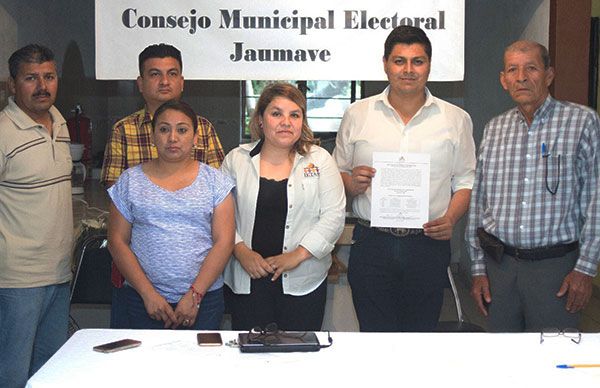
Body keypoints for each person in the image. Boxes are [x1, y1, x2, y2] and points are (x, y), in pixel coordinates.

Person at [333, 26, 476, 332]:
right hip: (372, 243)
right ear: (385, 63)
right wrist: (351, 183)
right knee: (374, 335)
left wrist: (451, 218)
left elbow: (465, 180)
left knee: (420, 337)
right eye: (399, 61)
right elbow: (337, 173)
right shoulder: (357, 114)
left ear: (429, 65)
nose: (408, 70)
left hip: (427, 245)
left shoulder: (455, 118)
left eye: (418, 61)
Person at [467, 40, 600, 332]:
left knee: (554, 363)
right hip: (499, 268)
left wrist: (585, 268)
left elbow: (596, 200)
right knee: (504, 363)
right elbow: (479, 202)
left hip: (556, 270)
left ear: (549, 75)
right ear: (504, 80)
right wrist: (478, 268)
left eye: (531, 68)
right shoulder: (494, 128)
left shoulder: (582, 122)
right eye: (512, 70)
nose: (521, 77)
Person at [101, 43, 225, 328]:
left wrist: (195, 293)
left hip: (198, 283)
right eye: (155, 74)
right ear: (140, 83)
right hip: (138, 279)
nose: (165, 81)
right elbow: (117, 203)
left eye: (172, 74)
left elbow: (218, 202)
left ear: (182, 81)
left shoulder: (203, 128)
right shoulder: (124, 130)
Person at [222, 82, 345, 331]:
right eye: (276, 113)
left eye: (294, 115)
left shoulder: (320, 159)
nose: (286, 122)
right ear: (260, 120)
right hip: (248, 279)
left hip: (303, 280)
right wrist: (240, 250)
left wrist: (296, 256)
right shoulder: (236, 159)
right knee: (249, 360)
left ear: (303, 122)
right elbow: (220, 217)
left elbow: (333, 216)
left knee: (299, 359)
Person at [0, 44, 72, 387]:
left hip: (58, 272)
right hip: (16, 280)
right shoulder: (3, 132)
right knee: (11, 372)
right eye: (31, 78)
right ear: (13, 85)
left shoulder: (60, 124)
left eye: (49, 76)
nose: (42, 86)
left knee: (50, 371)